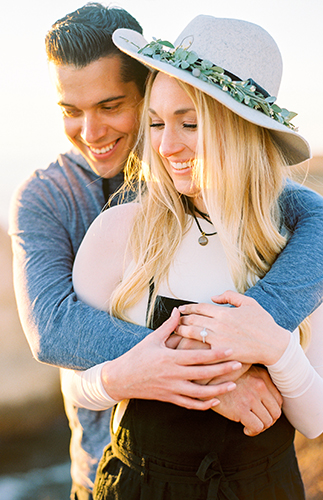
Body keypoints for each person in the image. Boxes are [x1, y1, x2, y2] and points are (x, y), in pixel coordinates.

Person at [8, 4, 323, 499]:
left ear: (147, 86)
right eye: (71, 110)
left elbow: (299, 211)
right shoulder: (61, 203)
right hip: (110, 471)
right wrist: (216, 376)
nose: (90, 133)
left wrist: (268, 339)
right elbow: (55, 333)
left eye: (111, 106)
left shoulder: (279, 221)